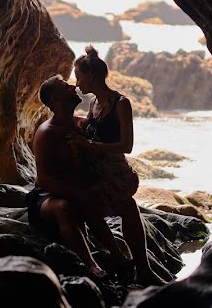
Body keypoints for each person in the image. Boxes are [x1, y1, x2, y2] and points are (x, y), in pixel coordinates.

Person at [70, 45, 165, 285]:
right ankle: (134, 265)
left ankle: (138, 266)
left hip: (115, 170)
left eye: (79, 77)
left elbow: (127, 145)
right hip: (96, 170)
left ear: (91, 76)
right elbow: (92, 129)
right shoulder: (93, 105)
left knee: (126, 207)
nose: (77, 83)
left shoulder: (121, 103)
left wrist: (91, 145)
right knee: (120, 208)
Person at [27, 74, 135, 281]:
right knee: (64, 207)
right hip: (46, 196)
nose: (72, 86)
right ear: (55, 99)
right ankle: (91, 265)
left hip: (79, 190)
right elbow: (43, 179)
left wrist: (117, 105)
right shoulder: (46, 132)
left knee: (123, 203)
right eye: (64, 86)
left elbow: (110, 137)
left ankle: (120, 258)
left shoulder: (82, 125)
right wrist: (78, 193)